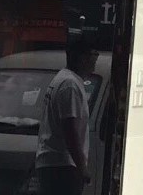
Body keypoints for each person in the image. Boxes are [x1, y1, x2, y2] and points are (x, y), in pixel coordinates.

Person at [36, 41, 100, 195]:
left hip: (55, 165)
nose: (95, 61)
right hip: (63, 167)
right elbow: (70, 129)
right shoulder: (70, 85)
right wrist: (82, 167)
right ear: (82, 58)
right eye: (94, 55)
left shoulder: (63, 79)